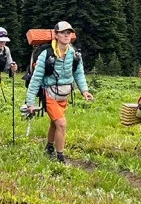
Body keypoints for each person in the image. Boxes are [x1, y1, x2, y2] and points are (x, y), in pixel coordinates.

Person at [24, 21, 92, 163]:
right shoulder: (45, 55)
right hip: (49, 94)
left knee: (54, 124)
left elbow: (79, 73)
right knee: (61, 123)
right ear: (56, 35)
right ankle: (60, 157)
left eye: (69, 33)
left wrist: (84, 91)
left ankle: (49, 146)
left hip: (64, 95)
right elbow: (36, 79)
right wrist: (30, 102)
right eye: (63, 33)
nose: (67, 35)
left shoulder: (74, 54)